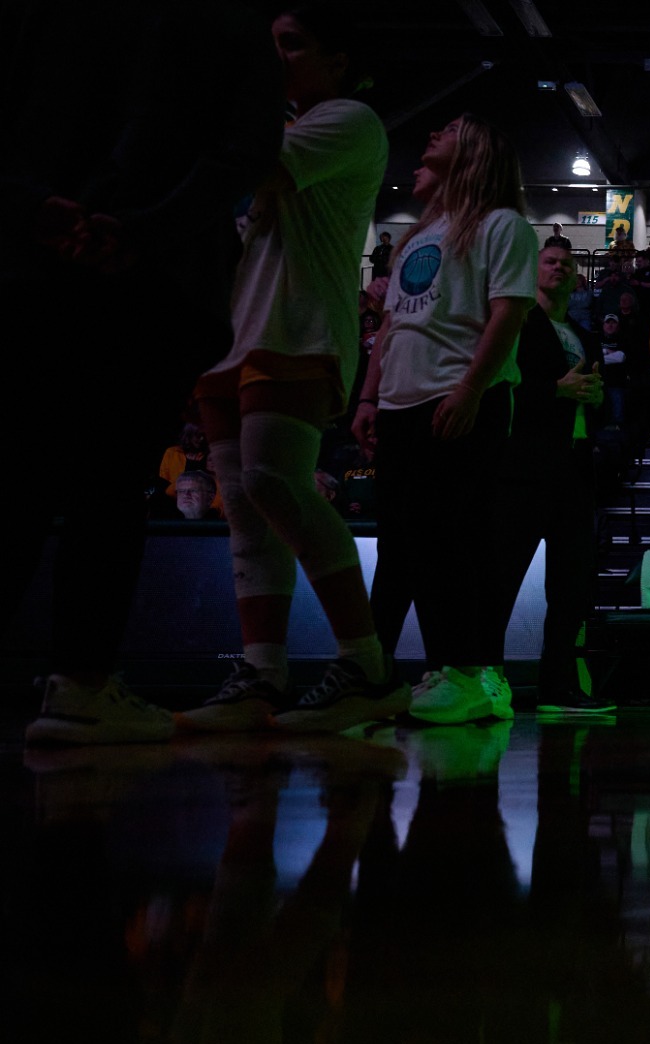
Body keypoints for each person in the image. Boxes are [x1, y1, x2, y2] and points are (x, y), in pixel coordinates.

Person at [8, 1, 281, 743]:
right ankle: (80, 684)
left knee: (19, 479)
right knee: (109, 481)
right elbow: (245, 146)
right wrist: (144, 228)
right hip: (154, 280)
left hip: (29, 271)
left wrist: (38, 214)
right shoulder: (223, 20)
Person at [184, 5, 401, 734]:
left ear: (339, 60)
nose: (277, 59)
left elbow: (254, 178)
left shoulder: (349, 120)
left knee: (277, 482)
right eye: (271, 46)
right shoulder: (275, 125)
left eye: (293, 46)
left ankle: (365, 663)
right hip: (235, 329)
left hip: (299, 325)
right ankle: (262, 672)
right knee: (246, 508)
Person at [351, 112, 538, 726]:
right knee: (406, 543)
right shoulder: (417, 234)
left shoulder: (501, 224)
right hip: (402, 403)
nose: (433, 132)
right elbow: (392, 326)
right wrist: (370, 398)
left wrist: (471, 388)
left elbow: (507, 312)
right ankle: (440, 673)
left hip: (458, 398)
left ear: (477, 152)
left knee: (448, 538)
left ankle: (460, 669)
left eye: (453, 128)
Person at [491, 242, 614, 717]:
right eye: (550, 261)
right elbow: (500, 391)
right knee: (502, 577)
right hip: (524, 468)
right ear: (533, 270)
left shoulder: (585, 336)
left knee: (571, 588)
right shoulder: (516, 325)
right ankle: (486, 677)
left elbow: (592, 401)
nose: (559, 267)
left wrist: (596, 399)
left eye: (566, 263)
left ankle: (557, 686)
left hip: (575, 469)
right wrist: (554, 390)